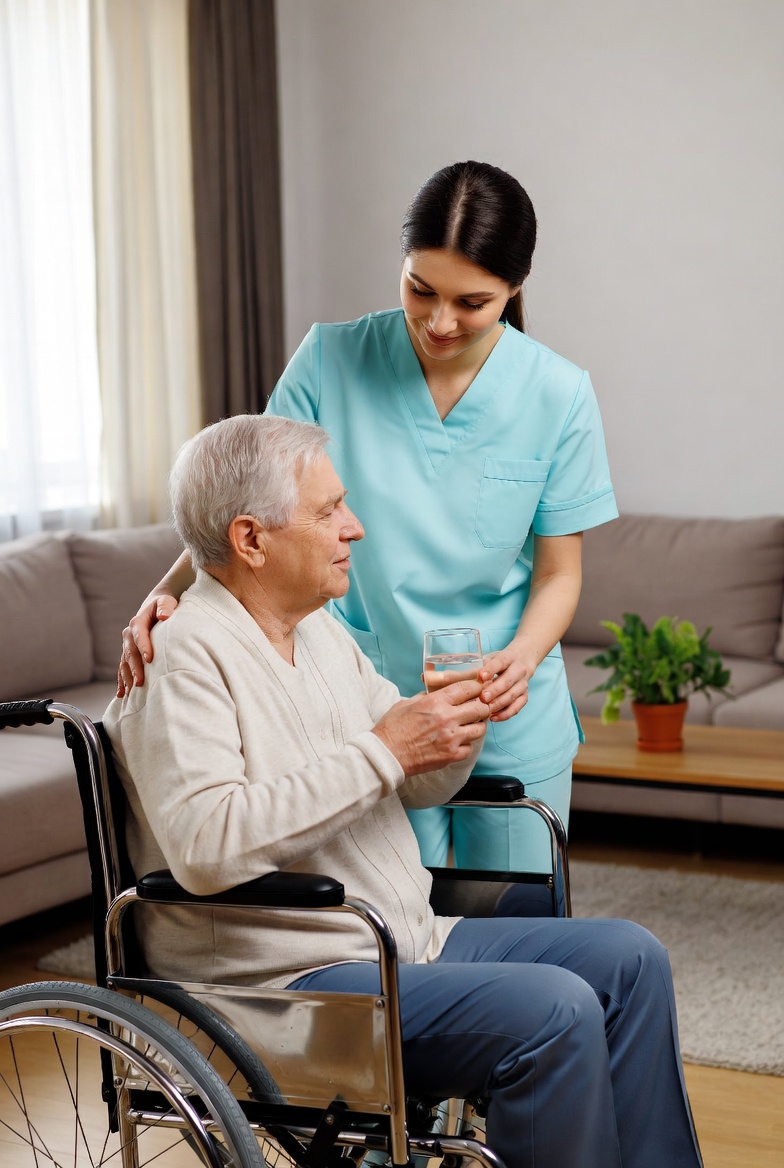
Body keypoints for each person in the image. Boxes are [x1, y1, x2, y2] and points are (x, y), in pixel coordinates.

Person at [104, 414, 702, 1168]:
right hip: (283, 989)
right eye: (329, 510)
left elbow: (413, 782)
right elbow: (206, 846)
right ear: (251, 539)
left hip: (401, 942)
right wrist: (388, 749)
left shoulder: (319, 632)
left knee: (630, 959)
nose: (353, 527)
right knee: (556, 1009)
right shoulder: (181, 655)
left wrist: (453, 730)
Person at [119, 160, 617, 873]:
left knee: (517, 910)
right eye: (421, 289)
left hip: (501, 700)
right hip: (364, 704)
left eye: (472, 302)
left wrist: (524, 659)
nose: (440, 322)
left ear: (516, 286)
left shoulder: (559, 394)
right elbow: (249, 507)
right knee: (396, 914)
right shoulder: (330, 359)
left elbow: (559, 574)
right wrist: (167, 591)